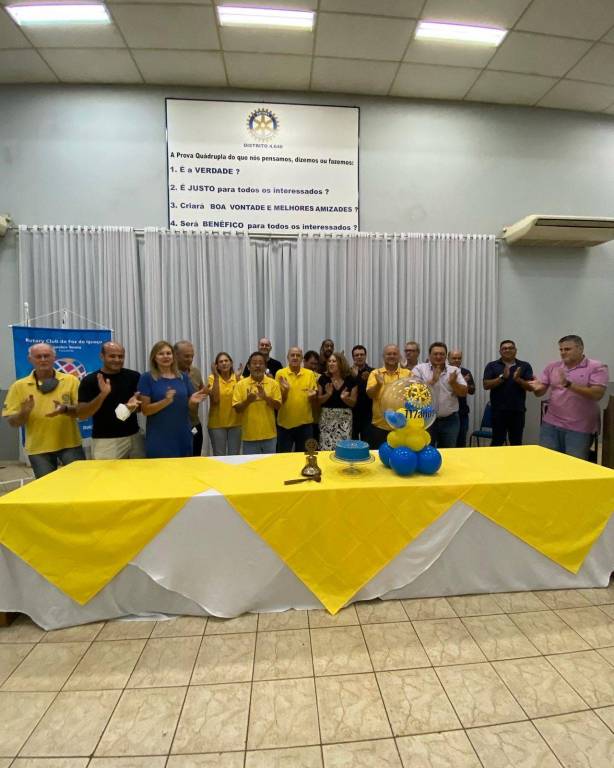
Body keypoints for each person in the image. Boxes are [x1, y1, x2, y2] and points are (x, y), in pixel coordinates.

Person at [2, 343, 84, 478]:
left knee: (79, 481)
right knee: (46, 486)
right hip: (38, 448)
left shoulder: (71, 381)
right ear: (30, 359)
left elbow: (82, 411)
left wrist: (65, 409)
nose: (43, 359)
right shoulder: (19, 386)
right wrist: (24, 412)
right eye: (38, 356)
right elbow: (13, 422)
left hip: (70, 444)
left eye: (47, 356)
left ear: (54, 358)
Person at [529, 334, 608, 460]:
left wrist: (569, 385)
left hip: (580, 427)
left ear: (580, 348)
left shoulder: (597, 367)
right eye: (561, 349)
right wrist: (534, 387)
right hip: (551, 424)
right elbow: (540, 392)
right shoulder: (553, 366)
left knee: (574, 465)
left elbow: (597, 394)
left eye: (567, 349)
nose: (563, 352)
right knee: (547, 461)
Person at [138, 341, 208, 458]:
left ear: (173, 356)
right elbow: (145, 410)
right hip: (159, 436)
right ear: (154, 357)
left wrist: (192, 402)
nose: (165, 356)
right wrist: (165, 401)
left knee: (185, 467)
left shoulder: (183, 377)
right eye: (161, 354)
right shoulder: (147, 378)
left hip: (183, 434)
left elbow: (189, 406)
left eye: (168, 353)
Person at [78, 341, 143, 459]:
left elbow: (139, 409)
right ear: (102, 356)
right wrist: (102, 395)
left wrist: (132, 406)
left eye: (120, 356)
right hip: (105, 441)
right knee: (105, 472)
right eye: (112, 356)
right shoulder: (90, 380)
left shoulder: (134, 376)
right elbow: (82, 414)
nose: (117, 360)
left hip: (134, 436)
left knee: (139, 471)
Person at [413, 342, 467, 448]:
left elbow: (463, 393)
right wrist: (433, 381)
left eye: (442, 354)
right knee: (425, 449)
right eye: (435, 354)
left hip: (449, 420)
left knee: (449, 451)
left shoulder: (454, 370)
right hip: (425, 419)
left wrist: (453, 383)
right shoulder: (419, 369)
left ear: (446, 356)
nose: (438, 357)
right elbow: (413, 393)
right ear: (429, 355)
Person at [483, 340, 534, 446]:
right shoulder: (492, 365)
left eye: (510, 348)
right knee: (497, 442)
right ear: (500, 351)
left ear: (515, 350)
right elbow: (486, 385)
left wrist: (518, 379)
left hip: (517, 411)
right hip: (498, 411)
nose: (507, 350)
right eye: (504, 348)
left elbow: (530, 387)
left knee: (516, 443)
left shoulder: (524, 365)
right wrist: (502, 378)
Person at [233, 351, 282, 454]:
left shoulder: (274, 384)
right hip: (249, 436)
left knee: (269, 463)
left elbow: (278, 406)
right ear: (248, 367)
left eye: (261, 363)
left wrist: (266, 397)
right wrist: (248, 401)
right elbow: (237, 409)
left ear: (265, 367)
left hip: (269, 435)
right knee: (252, 464)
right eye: (254, 363)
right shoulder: (240, 385)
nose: (258, 366)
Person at [366, 345, 410, 448]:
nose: (392, 356)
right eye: (389, 354)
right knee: (379, 455)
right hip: (380, 425)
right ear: (383, 356)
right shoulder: (375, 373)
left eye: (395, 354)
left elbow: (412, 396)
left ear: (399, 356)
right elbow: (370, 395)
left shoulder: (408, 374)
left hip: (401, 426)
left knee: (400, 455)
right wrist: (378, 384)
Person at [276, 347, 318, 452]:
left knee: (305, 457)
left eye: (298, 355)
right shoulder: (280, 373)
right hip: (284, 426)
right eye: (292, 355)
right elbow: (278, 402)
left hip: (305, 426)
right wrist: (285, 391)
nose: (295, 357)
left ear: (302, 358)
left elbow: (313, 401)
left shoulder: (309, 374)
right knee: (283, 457)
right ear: (288, 357)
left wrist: (313, 396)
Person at [318, 352, 358, 449]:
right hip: (327, 419)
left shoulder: (351, 379)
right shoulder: (323, 378)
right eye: (329, 361)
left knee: (344, 448)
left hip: (345, 419)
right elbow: (318, 401)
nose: (330, 363)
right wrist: (328, 394)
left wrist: (345, 398)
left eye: (334, 361)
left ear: (341, 363)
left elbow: (353, 403)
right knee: (326, 448)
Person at [174, 340, 206, 456]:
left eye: (192, 356)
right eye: (186, 356)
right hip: (175, 427)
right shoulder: (168, 374)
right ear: (175, 356)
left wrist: (206, 392)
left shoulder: (196, 372)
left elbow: (202, 390)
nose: (190, 359)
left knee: (195, 459)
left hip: (194, 423)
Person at [207, 351, 242, 455]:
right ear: (216, 366)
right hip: (217, 424)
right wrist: (216, 377)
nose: (224, 363)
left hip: (236, 423)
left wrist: (238, 380)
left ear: (231, 363)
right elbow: (215, 400)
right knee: (219, 456)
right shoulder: (212, 378)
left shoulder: (238, 377)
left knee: (234, 456)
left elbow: (241, 400)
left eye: (226, 361)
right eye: (221, 361)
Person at [448, 349, 475, 448]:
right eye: (454, 358)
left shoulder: (465, 372)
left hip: (462, 412)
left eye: (459, 358)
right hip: (448, 413)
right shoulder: (444, 371)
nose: (457, 360)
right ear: (448, 359)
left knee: (461, 441)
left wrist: (464, 382)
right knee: (448, 442)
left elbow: (472, 390)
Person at [350, 344, 373, 441]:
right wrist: (354, 377)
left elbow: (367, 391)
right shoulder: (347, 373)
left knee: (367, 443)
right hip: (352, 414)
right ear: (353, 357)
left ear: (365, 356)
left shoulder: (373, 372)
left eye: (361, 354)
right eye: (356, 355)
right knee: (352, 444)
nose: (359, 357)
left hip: (368, 413)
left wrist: (357, 378)